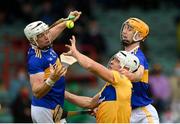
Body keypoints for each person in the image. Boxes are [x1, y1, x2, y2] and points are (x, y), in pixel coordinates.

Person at [64, 35, 140, 123]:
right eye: (113, 59)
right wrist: (62, 93)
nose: (111, 62)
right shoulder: (112, 86)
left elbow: (90, 66)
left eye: (117, 61)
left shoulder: (122, 79)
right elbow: (89, 103)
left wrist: (75, 53)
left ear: (126, 68)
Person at [23, 11, 81, 123]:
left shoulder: (44, 43)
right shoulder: (35, 59)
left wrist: (69, 19)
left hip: (55, 105)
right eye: (41, 35)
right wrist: (52, 80)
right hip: (44, 108)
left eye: (46, 32)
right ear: (33, 40)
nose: (47, 37)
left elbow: (55, 30)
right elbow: (36, 92)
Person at [119, 17, 159, 123]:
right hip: (123, 115)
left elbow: (139, 74)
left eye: (129, 29)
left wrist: (130, 75)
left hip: (142, 114)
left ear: (139, 36)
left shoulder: (138, 56)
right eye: (125, 28)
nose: (124, 31)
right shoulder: (118, 58)